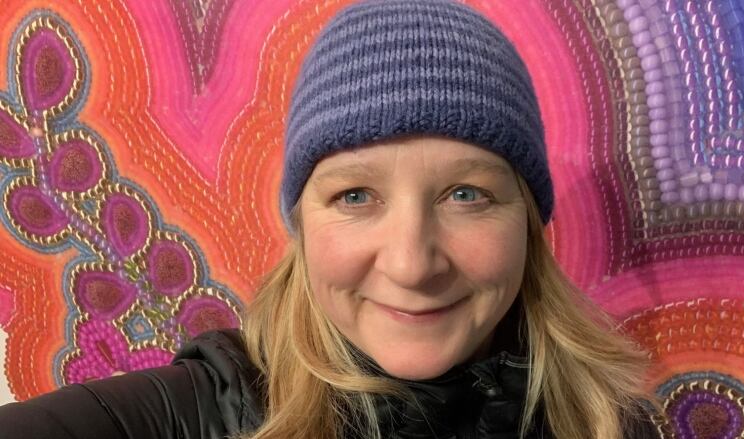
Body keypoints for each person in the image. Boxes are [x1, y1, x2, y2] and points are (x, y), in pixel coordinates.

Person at [0, 0, 667, 437]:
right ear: (303, 224)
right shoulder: (207, 413)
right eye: (355, 196)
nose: (411, 262)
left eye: (466, 194)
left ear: (528, 220)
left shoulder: (609, 422)